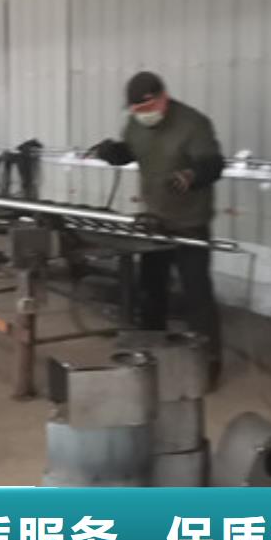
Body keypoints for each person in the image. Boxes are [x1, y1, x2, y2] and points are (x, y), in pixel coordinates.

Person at [93, 71, 225, 383]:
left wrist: (191, 176)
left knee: (197, 295)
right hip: (155, 221)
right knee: (151, 291)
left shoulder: (193, 124)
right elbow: (134, 151)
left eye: (146, 108)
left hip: (190, 223)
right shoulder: (135, 124)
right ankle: (150, 358)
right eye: (135, 111)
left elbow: (214, 164)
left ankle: (207, 365)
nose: (142, 116)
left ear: (162, 98)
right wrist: (114, 153)